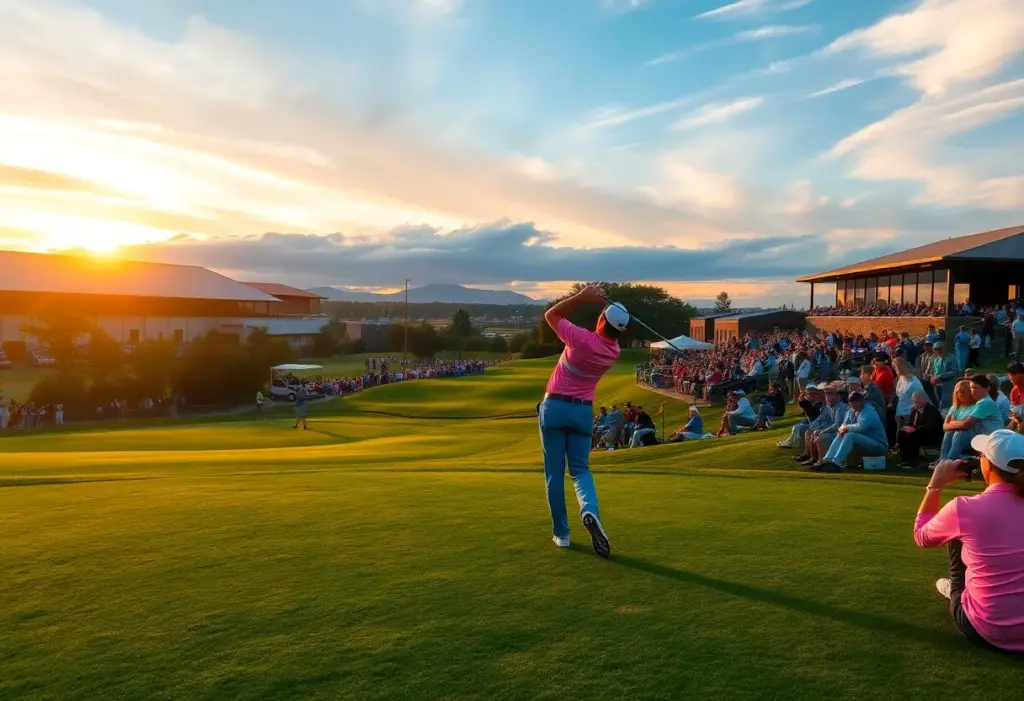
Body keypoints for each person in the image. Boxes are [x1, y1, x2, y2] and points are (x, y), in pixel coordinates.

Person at [914, 430, 1024, 653]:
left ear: (989, 465)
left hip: (987, 629)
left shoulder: (964, 508)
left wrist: (935, 485)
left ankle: (957, 591)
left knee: (958, 534)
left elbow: (922, 537)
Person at [538, 283, 625, 557]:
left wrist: (581, 297)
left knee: (555, 473)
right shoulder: (614, 351)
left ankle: (561, 534)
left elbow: (551, 315)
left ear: (601, 319)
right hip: (582, 413)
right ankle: (588, 510)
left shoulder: (582, 339)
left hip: (555, 407)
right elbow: (609, 330)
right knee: (580, 471)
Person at [815, 391, 888, 473]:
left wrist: (846, 427)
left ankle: (836, 464)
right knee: (842, 433)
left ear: (860, 402)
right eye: (851, 404)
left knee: (850, 435)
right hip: (865, 443)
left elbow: (861, 427)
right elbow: (844, 424)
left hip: (879, 445)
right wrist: (842, 429)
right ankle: (827, 460)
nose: (852, 406)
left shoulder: (869, 411)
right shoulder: (852, 410)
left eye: (854, 404)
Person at [795, 384, 847, 466]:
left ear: (837, 395)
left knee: (821, 436)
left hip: (839, 431)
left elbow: (837, 425)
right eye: (826, 394)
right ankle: (811, 457)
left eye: (830, 394)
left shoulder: (841, 408)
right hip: (830, 428)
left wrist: (822, 431)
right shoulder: (829, 405)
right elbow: (822, 417)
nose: (827, 396)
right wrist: (813, 426)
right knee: (809, 432)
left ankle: (821, 461)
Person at [897, 392, 943, 469]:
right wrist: (906, 427)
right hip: (917, 433)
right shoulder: (914, 410)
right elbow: (910, 422)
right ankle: (905, 459)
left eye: (917, 401)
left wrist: (915, 429)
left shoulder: (932, 410)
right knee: (901, 433)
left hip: (930, 435)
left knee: (914, 435)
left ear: (923, 401)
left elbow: (932, 425)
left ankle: (913, 461)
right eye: (914, 401)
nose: (915, 403)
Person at [938, 380, 979, 461]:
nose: (959, 394)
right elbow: (945, 426)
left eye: (963, 392)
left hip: (972, 437)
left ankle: (949, 460)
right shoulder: (954, 408)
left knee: (959, 433)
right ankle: (942, 460)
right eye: (957, 392)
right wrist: (961, 424)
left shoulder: (975, 407)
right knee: (949, 433)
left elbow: (967, 425)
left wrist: (953, 424)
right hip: (955, 436)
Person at [778, 383, 823, 449]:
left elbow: (811, 411)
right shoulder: (810, 402)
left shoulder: (819, 403)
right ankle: (790, 441)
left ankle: (794, 443)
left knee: (798, 427)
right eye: (809, 394)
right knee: (796, 427)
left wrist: (802, 400)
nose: (810, 395)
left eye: (812, 393)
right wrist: (801, 398)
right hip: (810, 422)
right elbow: (804, 405)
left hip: (817, 424)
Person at [928, 342, 959, 410]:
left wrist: (939, 376)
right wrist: (932, 377)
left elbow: (955, 371)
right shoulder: (936, 359)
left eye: (940, 349)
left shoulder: (951, 358)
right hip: (938, 385)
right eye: (935, 349)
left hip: (949, 384)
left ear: (944, 349)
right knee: (940, 400)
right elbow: (935, 371)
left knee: (948, 403)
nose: (938, 351)